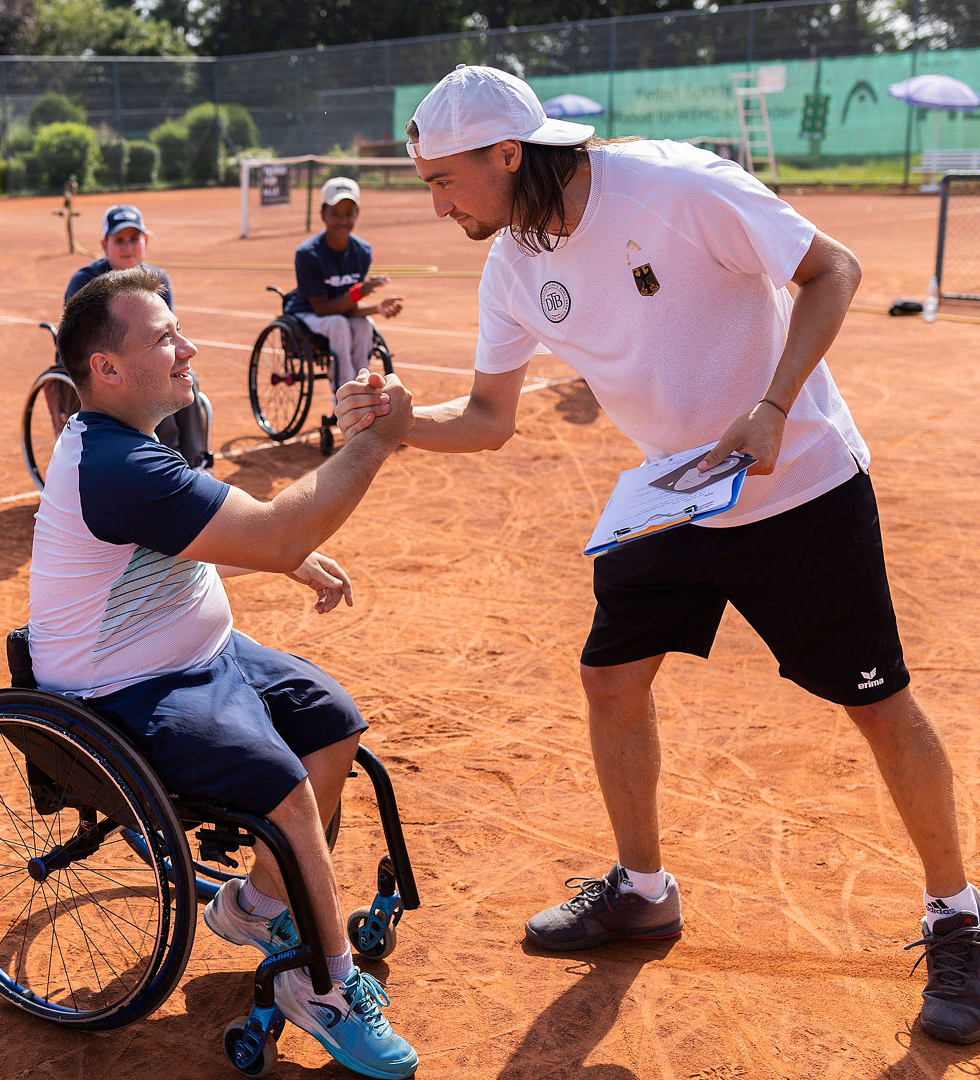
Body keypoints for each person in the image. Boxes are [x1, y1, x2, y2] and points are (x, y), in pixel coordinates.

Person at [337, 63, 980, 1045]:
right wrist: (393, 424)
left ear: (508, 153)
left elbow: (832, 269)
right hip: (675, 495)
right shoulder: (512, 263)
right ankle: (643, 892)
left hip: (798, 482)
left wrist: (770, 409)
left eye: (442, 179)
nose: (434, 204)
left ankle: (959, 919)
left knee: (876, 704)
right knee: (611, 680)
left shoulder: (677, 189)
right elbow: (488, 417)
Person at [29, 266, 418, 1079]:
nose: (189, 347)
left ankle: (255, 907)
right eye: (165, 337)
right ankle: (327, 987)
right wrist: (373, 441)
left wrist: (286, 558)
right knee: (284, 787)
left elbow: (173, 558)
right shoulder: (115, 465)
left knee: (334, 723)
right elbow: (270, 529)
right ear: (106, 369)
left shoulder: (128, 443)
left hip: (191, 652)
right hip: (122, 691)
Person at [64, 204, 209, 470]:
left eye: (134, 239)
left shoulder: (157, 280)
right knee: (149, 382)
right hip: (107, 366)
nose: (127, 247)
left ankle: (196, 464)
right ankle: (170, 463)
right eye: (119, 240)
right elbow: (82, 343)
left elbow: (166, 335)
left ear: (146, 241)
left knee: (186, 379)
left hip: (146, 356)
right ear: (104, 244)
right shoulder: (84, 282)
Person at [285, 177, 403, 424]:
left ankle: (364, 390)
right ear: (323, 214)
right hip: (308, 313)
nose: (342, 220)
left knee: (364, 325)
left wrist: (377, 309)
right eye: (335, 213)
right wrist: (361, 292)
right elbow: (323, 308)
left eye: (349, 213)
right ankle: (344, 396)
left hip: (337, 314)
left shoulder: (362, 251)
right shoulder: (308, 254)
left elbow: (349, 308)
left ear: (357, 214)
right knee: (338, 324)